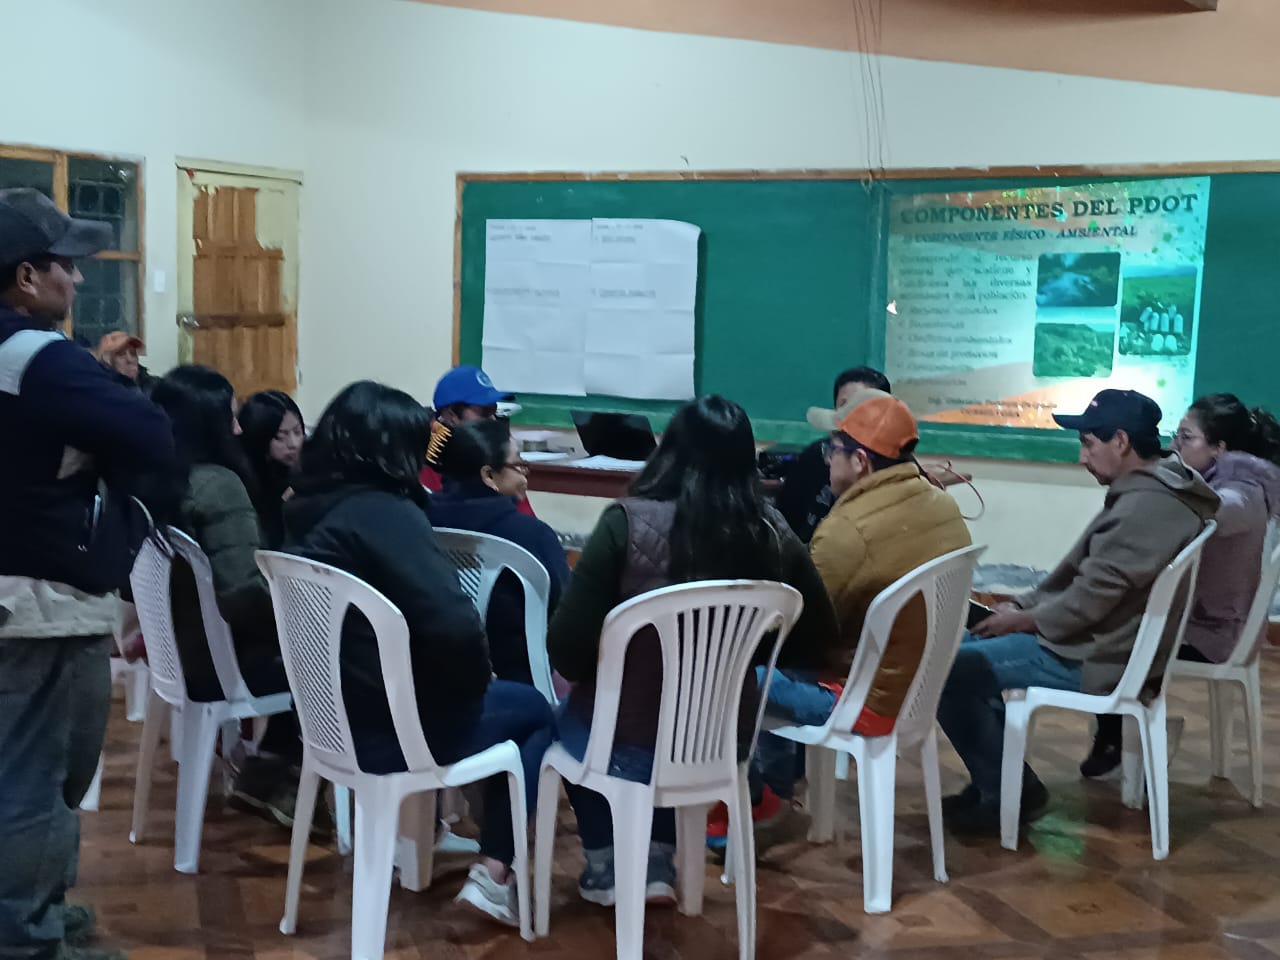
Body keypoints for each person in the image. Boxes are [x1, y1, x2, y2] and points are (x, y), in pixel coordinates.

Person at [547, 395, 839, 906]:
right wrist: (743, 648)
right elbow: (817, 638)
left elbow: (567, 647)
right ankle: (657, 860)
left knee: (560, 722)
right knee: (658, 722)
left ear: (669, 452)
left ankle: (608, 864)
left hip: (625, 740)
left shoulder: (624, 524)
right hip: (723, 741)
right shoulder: (774, 533)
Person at [284, 380, 554, 927]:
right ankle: (495, 873)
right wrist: (473, 686)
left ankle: (430, 834)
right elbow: (454, 628)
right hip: (392, 733)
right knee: (535, 710)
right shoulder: (386, 513)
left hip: (326, 723)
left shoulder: (302, 508)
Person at [0, 188, 175, 960]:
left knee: (16, 766)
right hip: (39, 599)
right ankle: (28, 938)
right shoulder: (36, 358)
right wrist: (109, 405)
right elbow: (151, 434)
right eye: (65, 265)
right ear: (26, 277)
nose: (76, 279)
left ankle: (30, 912)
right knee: (41, 776)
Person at [938, 389, 1218, 834]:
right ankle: (1000, 785)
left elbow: (1091, 598)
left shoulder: (1148, 505)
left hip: (1098, 657)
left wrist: (1023, 619)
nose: (1082, 457)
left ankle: (1008, 792)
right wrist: (1023, 606)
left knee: (946, 670)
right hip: (1102, 642)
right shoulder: (1157, 489)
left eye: (1088, 444)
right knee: (969, 649)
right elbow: (1084, 582)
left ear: (1121, 441)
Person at [753, 388, 972, 791]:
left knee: (728, 670)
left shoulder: (848, 531)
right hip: (914, 692)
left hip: (861, 702)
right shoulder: (941, 504)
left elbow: (794, 627)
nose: (826, 459)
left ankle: (760, 795)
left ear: (860, 461)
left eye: (832, 449)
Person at [1081, 393, 1280, 777]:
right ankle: (1126, 732)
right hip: (1201, 622)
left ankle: (1131, 737)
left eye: (1186, 438)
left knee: (1106, 636)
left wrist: (1155, 492)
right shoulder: (1221, 480)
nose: (1174, 446)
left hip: (1214, 633)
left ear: (1219, 448)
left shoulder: (1244, 491)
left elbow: (1217, 508)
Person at [149, 366, 302, 825]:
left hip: (178, 654)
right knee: (332, 655)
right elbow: (243, 595)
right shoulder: (217, 485)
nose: (237, 429)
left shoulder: (153, 479)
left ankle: (268, 769)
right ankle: (279, 779)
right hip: (222, 663)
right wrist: (300, 618)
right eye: (230, 417)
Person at [424, 417, 570, 685]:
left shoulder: (420, 521)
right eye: (518, 464)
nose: (525, 473)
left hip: (439, 678)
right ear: (489, 475)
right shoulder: (531, 535)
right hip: (520, 680)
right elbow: (566, 616)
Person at [775, 366, 892, 542]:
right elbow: (788, 524)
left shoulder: (896, 468)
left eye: (860, 407)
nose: (850, 417)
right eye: (844, 407)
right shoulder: (816, 456)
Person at [420, 365, 537, 518]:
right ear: (451, 414)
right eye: (485, 412)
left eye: (494, 411)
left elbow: (526, 519)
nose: (493, 420)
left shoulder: (489, 451)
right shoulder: (425, 457)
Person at [237, 390, 306, 549]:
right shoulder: (245, 479)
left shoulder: (309, 467)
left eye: (298, 432)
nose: (293, 444)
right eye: (280, 437)